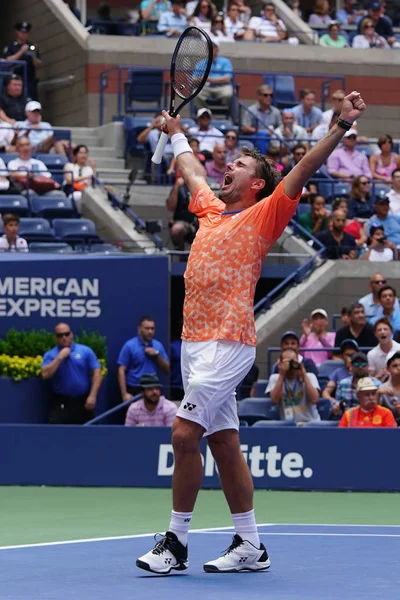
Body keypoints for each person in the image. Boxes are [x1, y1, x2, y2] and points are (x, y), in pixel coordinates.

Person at [136, 90, 366, 574]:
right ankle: (250, 544)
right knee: (222, 444)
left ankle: (176, 543)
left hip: (229, 342)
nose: (228, 167)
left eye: (238, 164)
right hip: (194, 344)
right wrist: (177, 134)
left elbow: (301, 170)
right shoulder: (210, 209)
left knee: (183, 434)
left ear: (258, 183)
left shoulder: (265, 215)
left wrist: (340, 128)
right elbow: (193, 171)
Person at [41, 323, 103, 424]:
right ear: (55, 338)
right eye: (60, 335)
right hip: (62, 402)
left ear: (72, 334)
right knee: (57, 434)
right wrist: (59, 357)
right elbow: (45, 374)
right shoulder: (51, 354)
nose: (64, 338)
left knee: (91, 434)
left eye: (66, 334)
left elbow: (97, 372)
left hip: (83, 401)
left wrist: (92, 395)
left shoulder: (85, 351)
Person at [117, 316, 170, 399]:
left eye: (152, 329)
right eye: (147, 328)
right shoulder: (130, 345)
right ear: (139, 329)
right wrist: (124, 394)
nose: (150, 331)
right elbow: (121, 369)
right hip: (134, 388)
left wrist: (157, 354)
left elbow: (167, 370)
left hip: (153, 388)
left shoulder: (158, 346)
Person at [266, 348, 320, 423]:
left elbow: (315, 400)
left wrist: (304, 375)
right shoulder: (275, 378)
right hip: (288, 424)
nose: (291, 365)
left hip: (310, 423)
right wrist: (282, 375)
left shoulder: (310, 376)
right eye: (287, 362)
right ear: (280, 363)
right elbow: (274, 400)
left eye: (293, 361)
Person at [332, 352, 381, 417]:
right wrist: (336, 409)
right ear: (351, 366)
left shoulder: (377, 384)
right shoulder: (343, 383)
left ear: (368, 366)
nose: (360, 367)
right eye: (356, 364)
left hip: (370, 421)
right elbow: (337, 406)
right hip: (348, 421)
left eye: (363, 364)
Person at [3, 22, 42, 100]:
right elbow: (7, 62)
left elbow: (38, 64)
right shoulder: (11, 46)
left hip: (29, 81)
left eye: (26, 33)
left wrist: (33, 54)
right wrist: (21, 52)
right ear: (17, 32)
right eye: (22, 32)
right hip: (16, 80)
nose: (24, 35)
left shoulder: (31, 46)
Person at [194, 40, 233, 113]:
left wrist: (208, 79)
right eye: (208, 47)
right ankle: (205, 114)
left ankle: (226, 115)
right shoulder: (201, 63)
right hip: (205, 87)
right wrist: (200, 79)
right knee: (195, 93)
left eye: (213, 47)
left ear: (217, 50)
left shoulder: (225, 62)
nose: (210, 49)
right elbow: (194, 79)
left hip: (221, 87)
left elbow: (227, 79)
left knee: (228, 94)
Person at [241, 84, 282, 154]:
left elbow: (280, 127)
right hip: (255, 138)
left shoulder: (276, 111)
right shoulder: (251, 110)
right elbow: (245, 128)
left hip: (272, 138)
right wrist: (262, 131)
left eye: (271, 95)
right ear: (259, 96)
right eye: (266, 95)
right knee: (263, 135)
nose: (269, 97)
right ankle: (263, 159)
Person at [166, 177, 198, 249]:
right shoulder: (180, 187)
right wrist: (176, 187)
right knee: (177, 229)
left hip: (204, 221)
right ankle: (180, 252)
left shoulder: (204, 183)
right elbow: (170, 207)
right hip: (184, 222)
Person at [63, 144, 96, 213]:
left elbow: (94, 184)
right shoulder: (69, 166)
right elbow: (69, 180)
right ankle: (79, 214)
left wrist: (93, 169)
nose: (83, 155)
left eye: (85, 153)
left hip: (86, 191)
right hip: (71, 190)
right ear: (75, 155)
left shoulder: (89, 169)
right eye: (81, 153)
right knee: (77, 195)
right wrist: (87, 177)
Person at [377, 352, 400, 424]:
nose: (399, 368)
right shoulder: (382, 388)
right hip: (388, 426)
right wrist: (378, 394)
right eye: (395, 366)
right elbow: (375, 411)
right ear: (388, 369)